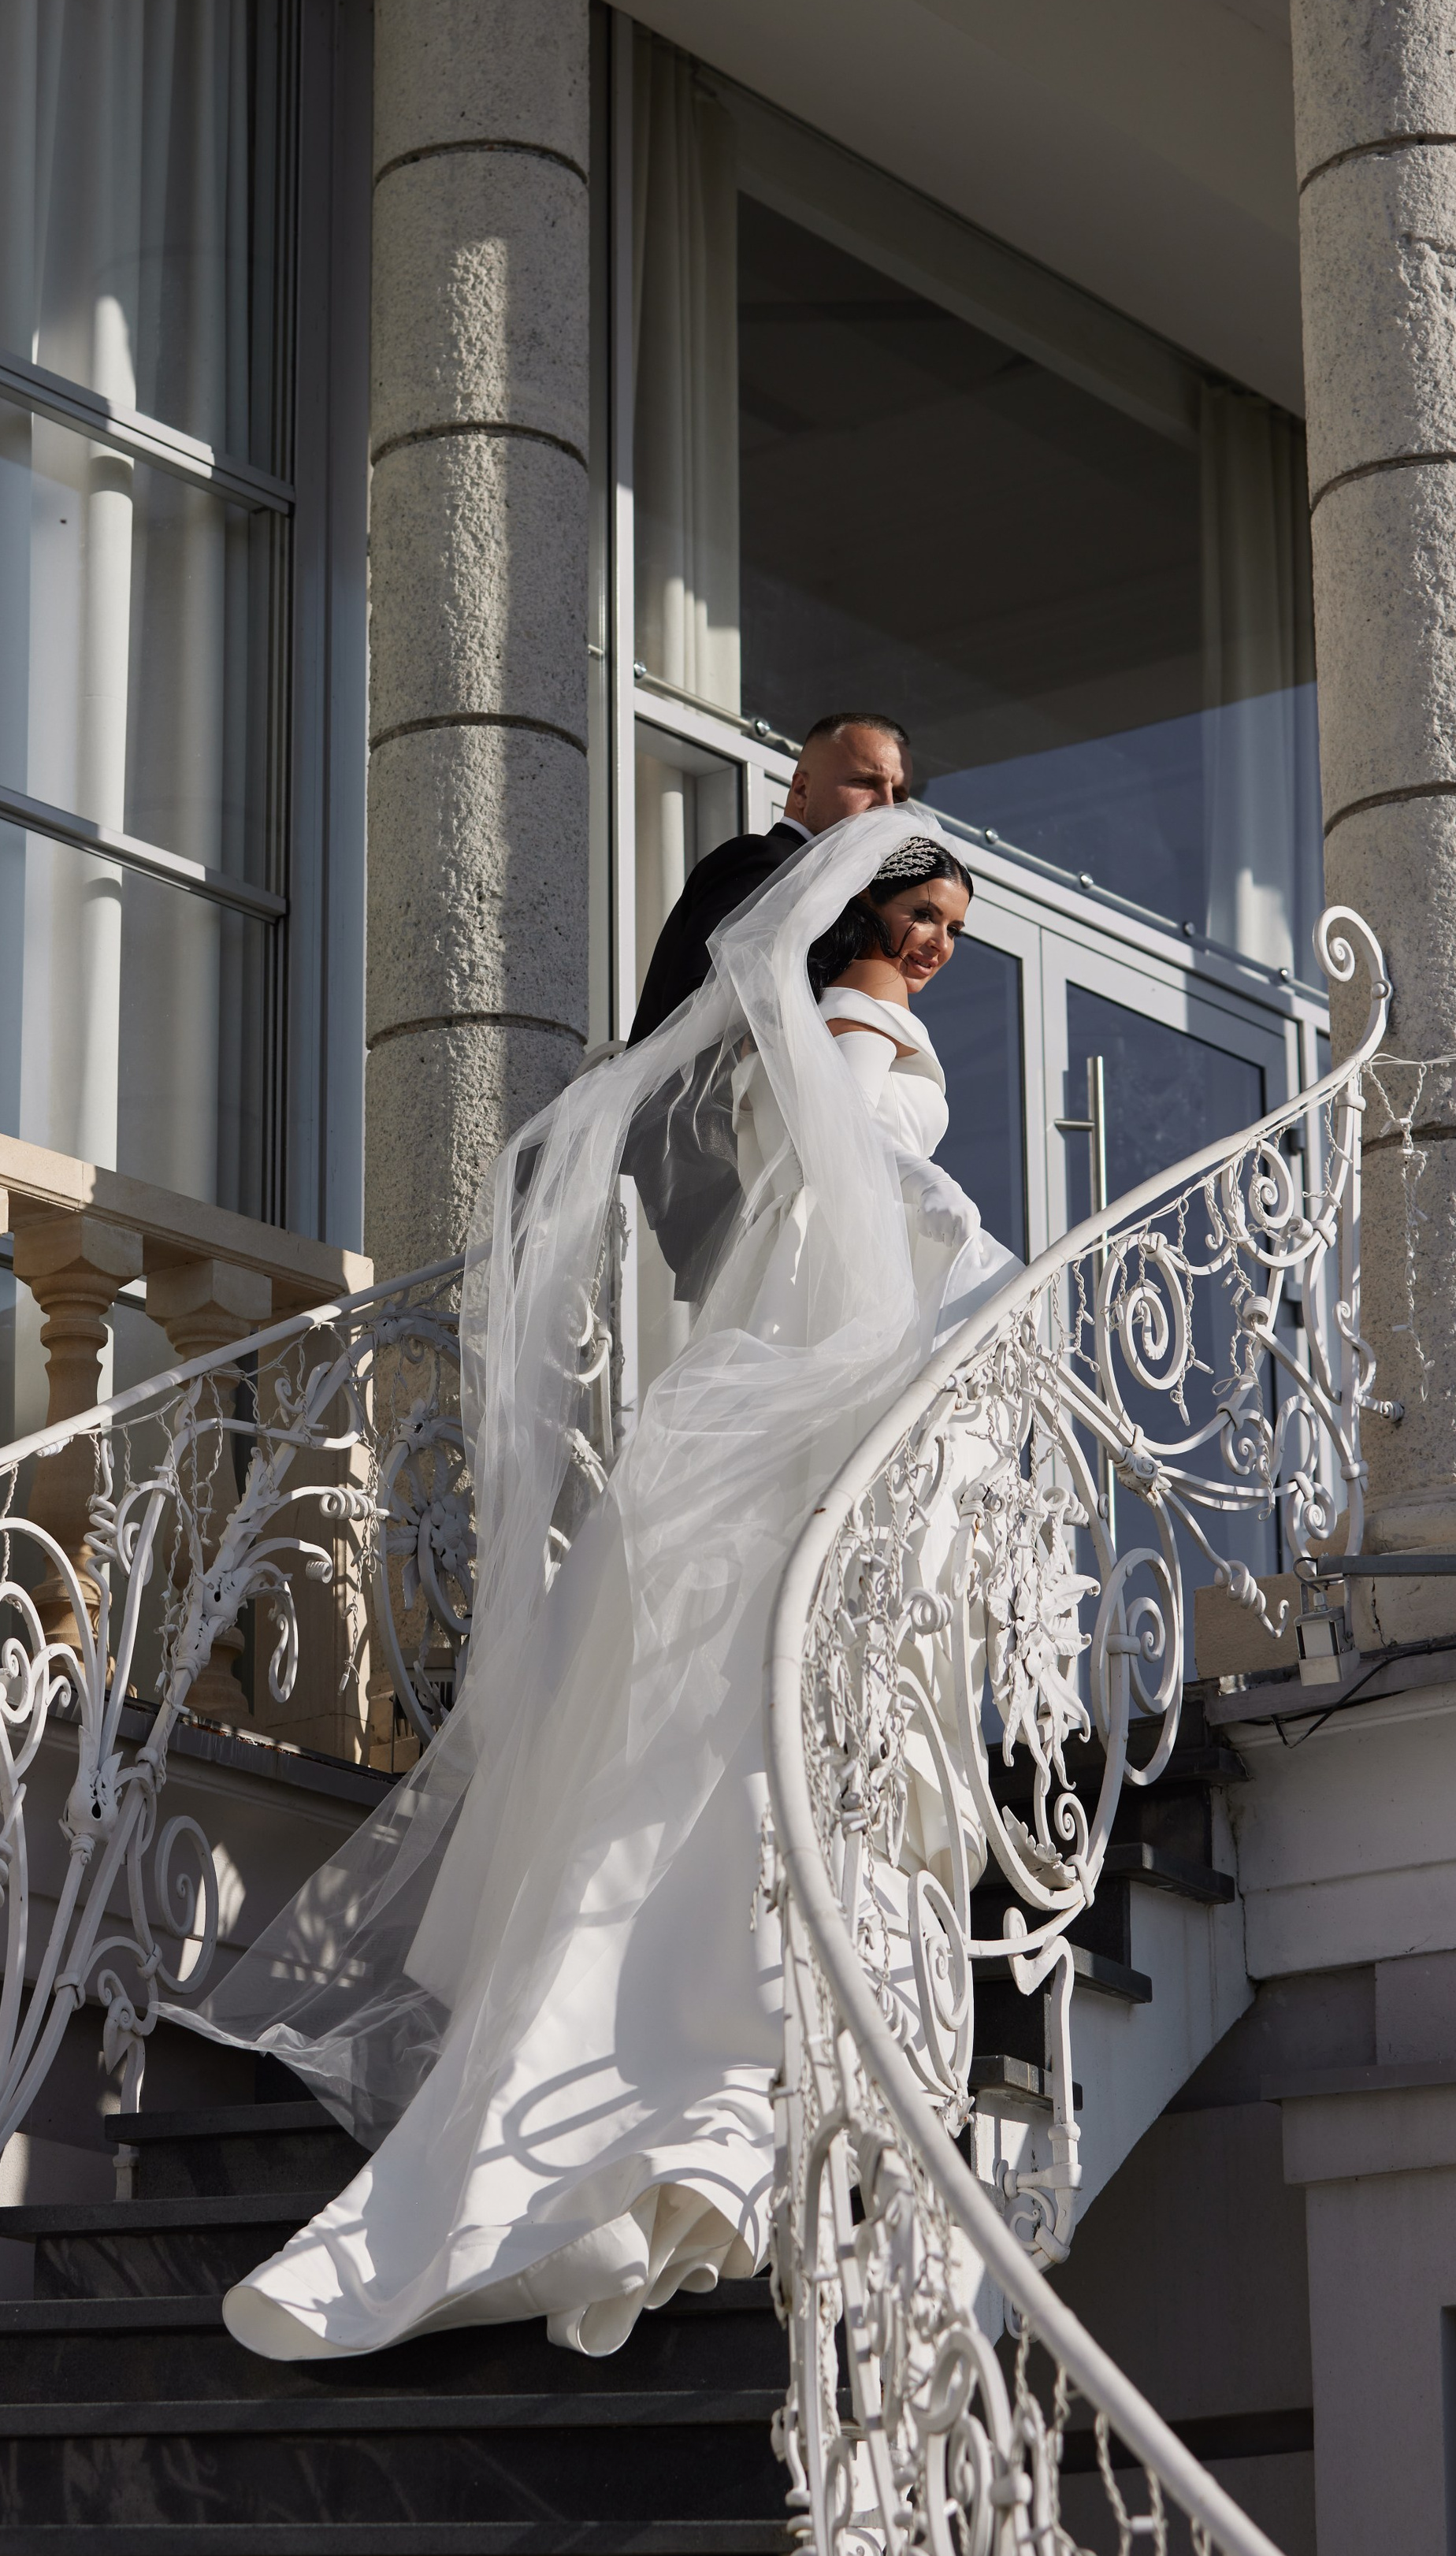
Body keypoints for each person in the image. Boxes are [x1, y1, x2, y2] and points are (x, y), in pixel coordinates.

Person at [199, 813, 1015, 2361]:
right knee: (728, 1733)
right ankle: (691, 2061)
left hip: (776, 1383)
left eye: (954, 932)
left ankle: (648, 2057)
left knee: (713, 1734)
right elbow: (855, 1195)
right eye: (927, 917)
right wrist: (984, 1259)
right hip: (802, 1383)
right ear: (859, 913)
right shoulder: (846, 1038)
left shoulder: (829, 1031)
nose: (939, 947)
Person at [627, 710, 912, 1046]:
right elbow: (699, 999)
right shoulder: (769, 862)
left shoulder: (840, 892)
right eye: (865, 782)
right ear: (802, 791)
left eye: (900, 795)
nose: (887, 807)